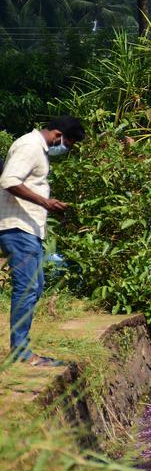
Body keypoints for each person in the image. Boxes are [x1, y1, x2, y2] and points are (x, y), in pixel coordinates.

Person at [0, 115, 85, 366]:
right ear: (58, 134)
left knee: (34, 287)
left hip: (27, 229)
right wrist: (45, 202)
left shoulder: (35, 148)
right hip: (18, 228)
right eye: (68, 143)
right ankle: (21, 353)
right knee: (26, 289)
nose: (66, 149)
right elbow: (8, 181)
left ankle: (22, 347)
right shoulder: (30, 146)